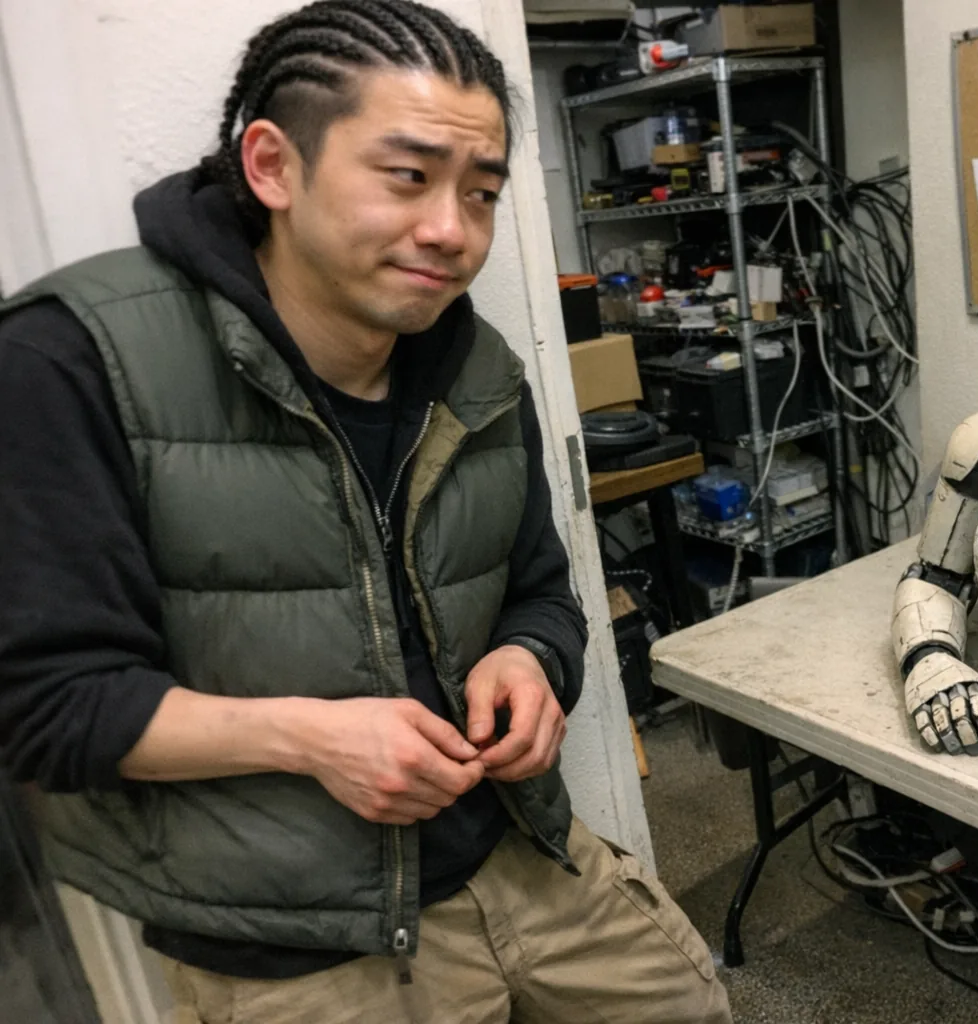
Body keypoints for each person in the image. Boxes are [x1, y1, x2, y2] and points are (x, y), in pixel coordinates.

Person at [0, 2, 730, 1021]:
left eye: (481, 193)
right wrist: (313, 738)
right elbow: (43, 709)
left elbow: (541, 593)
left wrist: (532, 660)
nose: (453, 230)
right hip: (293, 938)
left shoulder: (478, 369)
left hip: (519, 850)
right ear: (272, 166)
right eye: (408, 176)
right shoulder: (68, 359)